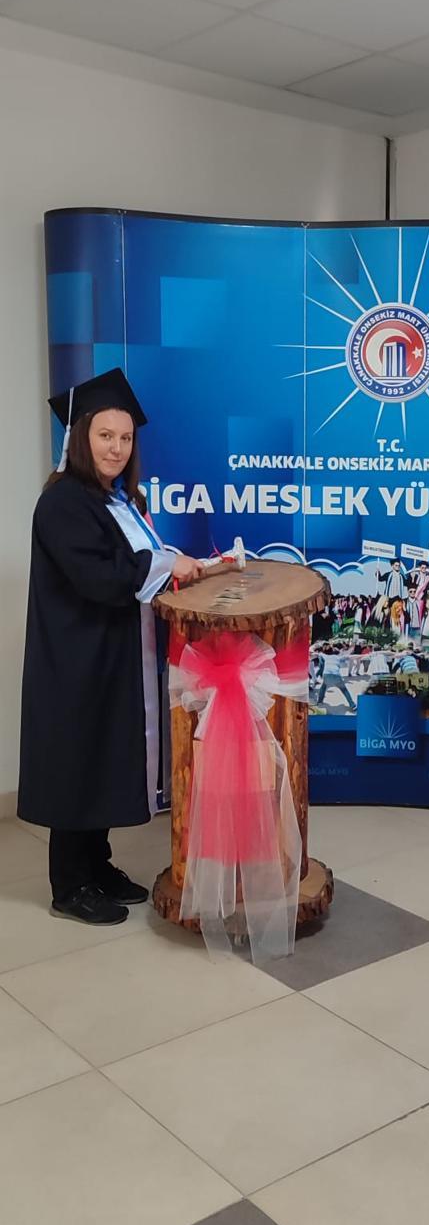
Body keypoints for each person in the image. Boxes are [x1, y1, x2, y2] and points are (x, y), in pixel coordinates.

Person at [18, 369, 201, 926]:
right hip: (76, 656)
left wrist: (170, 567)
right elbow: (99, 577)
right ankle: (69, 884)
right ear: (81, 437)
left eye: (125, 438)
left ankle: (96, 865)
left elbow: (131, 563)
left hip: (113, 650)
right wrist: (166, 565)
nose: (117, 448)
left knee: (101, 754)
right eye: (105, 436)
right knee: (78, 758)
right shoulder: (63, 502)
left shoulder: (117, 499)